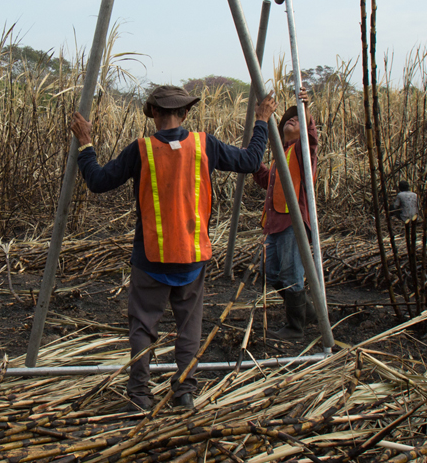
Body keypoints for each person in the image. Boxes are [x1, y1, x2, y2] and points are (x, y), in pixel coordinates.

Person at [71, 85, 275, 412]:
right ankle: (184, 392)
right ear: (185, 114)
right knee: (189, 328)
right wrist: (262, 120)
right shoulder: (205, 145)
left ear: (152, 114)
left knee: (142, 327)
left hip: (150, 258)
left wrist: (86, 143)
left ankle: (138, 395)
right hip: (192, 258)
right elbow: (252, 160)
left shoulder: (140, 150)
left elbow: (98, 181)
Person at [253, 89, 318, 342]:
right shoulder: (284, 155)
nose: (292, 121)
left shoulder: (304, 153)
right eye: (288, 120)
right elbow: (266, 179)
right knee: (272, 272)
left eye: (297, 120)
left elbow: (310, 138)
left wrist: (305, 108)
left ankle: (295, 328)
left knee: (291, 275)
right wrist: (251, 160)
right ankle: (308, 313)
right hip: (276, 224)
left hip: (293, 224)